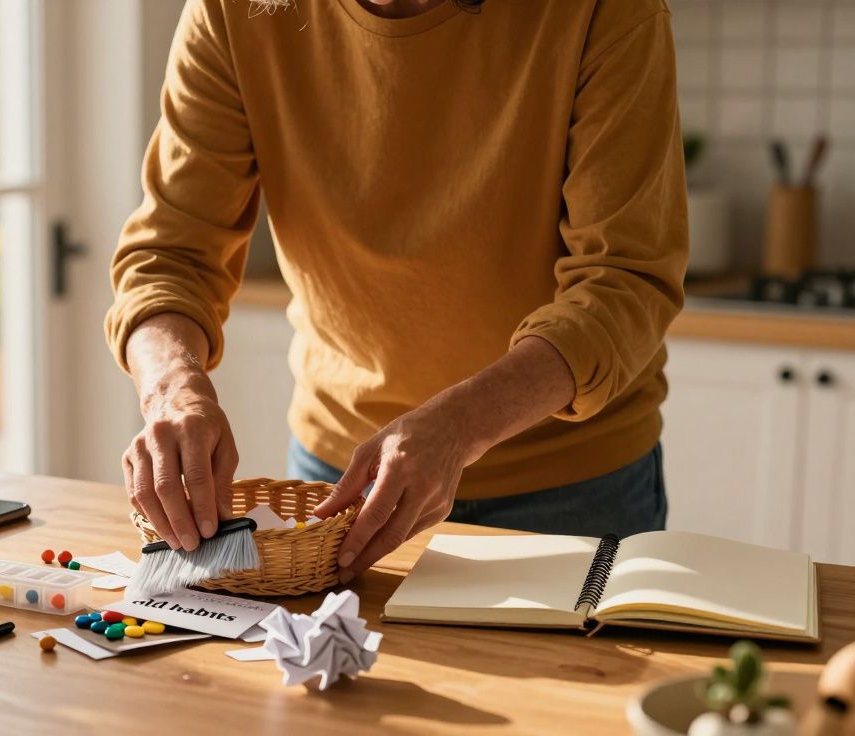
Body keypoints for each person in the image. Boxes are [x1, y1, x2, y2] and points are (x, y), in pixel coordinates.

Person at [106, 0, 688, 583]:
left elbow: (624, 279)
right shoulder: (232, 11)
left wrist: (462, 424)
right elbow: (170, 255)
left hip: (571, 488)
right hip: (339, 481)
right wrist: (171, 390)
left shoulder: (606, 10)